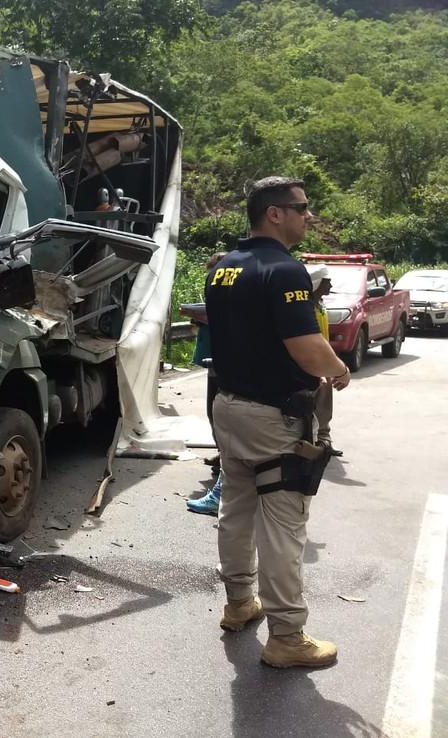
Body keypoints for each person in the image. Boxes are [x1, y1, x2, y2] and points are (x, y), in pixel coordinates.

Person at [205, 177, 351, 669]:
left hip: (227, 407)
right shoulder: (286, 270)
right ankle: (287, 635)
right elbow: (307, 348)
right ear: (274, 213)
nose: (309, 216)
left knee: (236, 508)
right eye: (302, 208)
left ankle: (240, 603)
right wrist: (338, 368)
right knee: (285, 525)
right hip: (273, 417)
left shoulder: (224, 267)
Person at [180, 251, 227, 516]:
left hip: (223, 358)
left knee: (218, 411)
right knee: (213, 411)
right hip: (214, 357)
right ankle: (223, 457)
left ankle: (226, 463)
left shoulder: (230, 288)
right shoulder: (217, 285)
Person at [306, 264, 342, 456]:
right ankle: (312, 440)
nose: (330, 285)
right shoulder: (306, 306)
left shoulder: (319, 304)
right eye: (327, 282)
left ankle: (324, 438)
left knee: (325, 404)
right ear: (317, 283)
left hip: (324, 361)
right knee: (310, 404)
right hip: (312, 362)